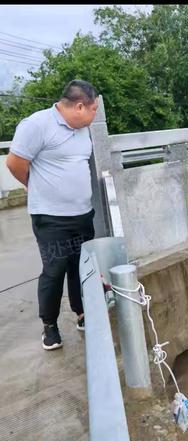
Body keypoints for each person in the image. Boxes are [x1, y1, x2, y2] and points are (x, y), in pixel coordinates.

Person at [6, 80, 99, 351]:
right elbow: (14, 163)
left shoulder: (82, 130)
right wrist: (37, 189)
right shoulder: (36, 125)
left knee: (81, 268)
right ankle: (50, 326)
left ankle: (82, 314)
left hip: (82, 213)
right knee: (54, 269)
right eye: (93, 109)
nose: (94, 115)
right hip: (51, 218)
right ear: (79, 106)